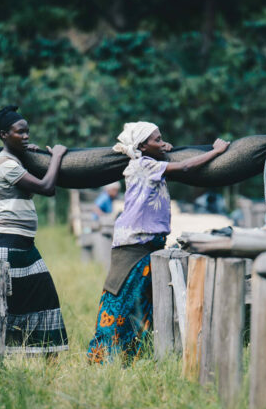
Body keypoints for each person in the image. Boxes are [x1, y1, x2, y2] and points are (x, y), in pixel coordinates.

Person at [87, 122, 229, 363]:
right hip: (133, 246)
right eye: (157, 140)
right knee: (120, 301)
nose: (163, 143)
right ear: (142, 146)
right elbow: (184, 167)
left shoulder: (151, 161)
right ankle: (100, 357)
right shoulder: (143, 165)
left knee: (140, 305)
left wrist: (161, 148)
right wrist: (216, 151)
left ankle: (129, 357)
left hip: (148, 244)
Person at [0, 105, 69, 356]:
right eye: (19, 132)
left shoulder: (15, 161)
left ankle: (45, 358)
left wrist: (27, 156)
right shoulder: (4, 164)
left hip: (23, 245)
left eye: (27, 132)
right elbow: (47, 187)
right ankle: (3, 356)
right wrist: (56, 155)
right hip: (8, 245)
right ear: (3, 134)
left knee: (44, 297)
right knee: (8, 306)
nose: (26, 136)